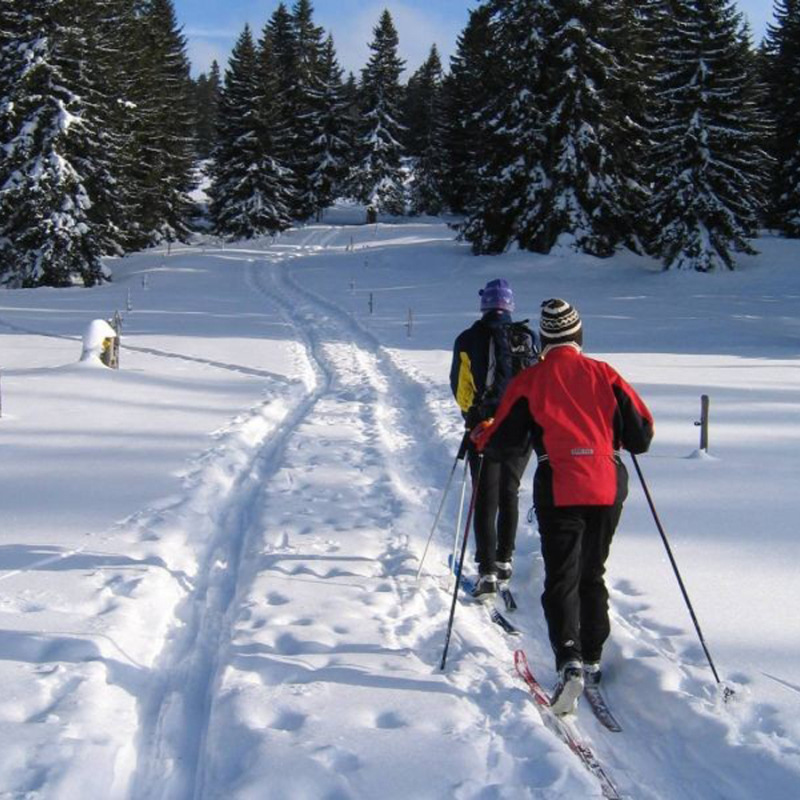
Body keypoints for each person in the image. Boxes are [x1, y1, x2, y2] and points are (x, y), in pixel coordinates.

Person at [472, 298, 654, 714]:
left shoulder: (531, 381)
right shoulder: (605, 374)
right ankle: (592, 655)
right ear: (578, 335)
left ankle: (569, 658)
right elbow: (642, 434)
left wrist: (480, 435)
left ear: (545, 339)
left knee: (562, 575)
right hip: (607, 483)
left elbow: (502, 443)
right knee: (593, 570)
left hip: (560, 484)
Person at [449, 278, 535, 599]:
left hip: (483, 426)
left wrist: (470, 415)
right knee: (509, 491)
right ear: (510, 306)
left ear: (484, 305)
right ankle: (504, 559)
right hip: (521, 429)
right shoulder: (527, 336)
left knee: (485, 497)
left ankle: (486, 571)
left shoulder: (468, 338)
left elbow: (461, 387)